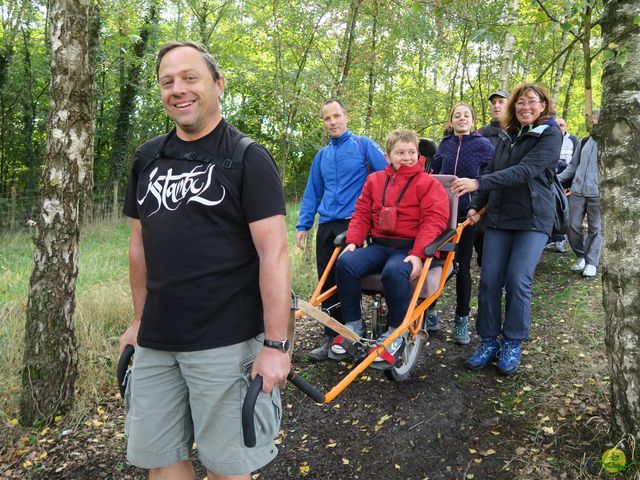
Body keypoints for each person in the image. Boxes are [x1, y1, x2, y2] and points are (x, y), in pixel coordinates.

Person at [119, 41, 291, 480]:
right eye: (167, 82)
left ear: (217, 84)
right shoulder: (147, 158)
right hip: (158, 340)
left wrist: (275, 346)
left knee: (227, 468)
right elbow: (139, 245)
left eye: (189, 78)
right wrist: (139, 320)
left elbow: (274, 253)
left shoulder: (247, 157)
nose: (178, 90)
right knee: (160, 460)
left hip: (226, 341)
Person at [451, 83, 562, 375]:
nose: (526, 107)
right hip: (499, 217)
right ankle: (488, 340)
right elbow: (492, 171)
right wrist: (476, 204)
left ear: (543, 105)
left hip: (533, 219)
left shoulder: (550, 134)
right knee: (489, 280)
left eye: (532, 102)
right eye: (520, 103)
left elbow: (525, 171)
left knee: (517, 279)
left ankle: (512, 342)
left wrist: (477, 184)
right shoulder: (507, 136)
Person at [333, 129, 449, 366]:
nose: (407, 157)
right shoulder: (375, 180)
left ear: (419, 155)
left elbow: (434, 221)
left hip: (410, 248)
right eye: (400, 152)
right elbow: (362, 213)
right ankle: (353, 324)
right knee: (345, 263)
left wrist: (418, 254)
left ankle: (397, 331)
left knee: (394, 271)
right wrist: (353, 241)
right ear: (388, 157)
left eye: (411, 152)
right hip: (381, 245)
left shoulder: (428, 184)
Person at [296, 99, 387, 362]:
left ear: (346, 116)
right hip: (326, 225)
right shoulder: (322, 155)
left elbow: (385, 178)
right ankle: (332, 339)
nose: (333, 122)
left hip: (353, 224)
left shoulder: (363, 145)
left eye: (337, 116)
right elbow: (313, 191)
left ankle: (353, 335)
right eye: (327, 118)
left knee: (347, 278)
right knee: (326, 283)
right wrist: (303, 224)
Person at [431, 103, 494, 344]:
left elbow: (488, 179)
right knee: (435, 262)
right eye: (457, 115)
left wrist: (477, 208)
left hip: (468, 217)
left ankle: (461, 320)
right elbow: (431, 175)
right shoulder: (444, 145)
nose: (462, 118)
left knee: (462, 267)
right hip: (441, 216)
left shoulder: (483, 145)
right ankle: (430, 311)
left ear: (473, 120)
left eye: (466, 115)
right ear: (451, 120)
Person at [557, 110, 602, 278]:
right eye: (591, 121)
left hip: (597, 193)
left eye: (596, 121)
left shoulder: (609, 143)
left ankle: (591, 263)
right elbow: (572, 166)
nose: (593, 125)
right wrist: (557, 180)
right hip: (577, 191)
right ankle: (581, 255)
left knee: (595, 228)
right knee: (571, 225)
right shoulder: (583, 142)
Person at [546, 117, 579, 253]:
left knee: (563, 211)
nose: (560, 127)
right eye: (557, 125)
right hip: (551, 179)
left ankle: (560, 240)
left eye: (562, 125)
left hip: (567, 181)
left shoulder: (573, 140)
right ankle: (549, 238)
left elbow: (576, 163)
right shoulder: (549, 138)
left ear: (566, 126)